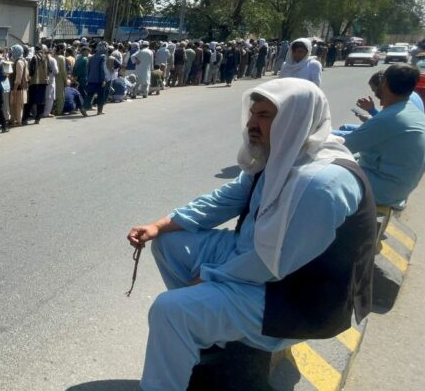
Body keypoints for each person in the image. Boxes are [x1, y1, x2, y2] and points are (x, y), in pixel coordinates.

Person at [128, 78, 377, 391]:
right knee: (169, 242)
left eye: (265, 116)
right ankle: (209, 337)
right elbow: (228, 197)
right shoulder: (285, 154)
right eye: (253, 113)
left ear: (297, 118)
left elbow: (276, 264)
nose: (252, 124)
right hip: (258, 264)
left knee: (171, 309)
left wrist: (209, 276)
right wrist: (160, 225)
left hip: (294, 298)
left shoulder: (321, 182)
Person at [343, 64, 425, 206]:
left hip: (384, 190)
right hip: (399, 187)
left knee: (321, 175)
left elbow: (344, 146)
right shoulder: (409, 111)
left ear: (384, 82)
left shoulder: (389, 118)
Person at [23, 45, 48, 125]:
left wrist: (28, 78)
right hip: (43, 82)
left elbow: (32, 71)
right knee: (41, 101)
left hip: (34, 82)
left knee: (30, 101)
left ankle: (25, 119)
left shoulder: (34, 57)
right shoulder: (45, 57)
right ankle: (38, 118)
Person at [85, 42, 108, 113]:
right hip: (99, 79)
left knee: (90, 94)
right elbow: (102, 69)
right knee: (101, 95)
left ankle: (84, 108)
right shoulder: (103, 57)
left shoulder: (91, 57)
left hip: (91, 78)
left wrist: (88, 77)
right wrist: (104, 79)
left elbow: (88, 68)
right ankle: (99, 111)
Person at [9, 44, 28, 126]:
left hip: (18, 87)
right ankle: (14, 120)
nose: (11, 53)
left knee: (17, 105)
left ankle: (18, 121)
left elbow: (19, 76)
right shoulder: (23, 60)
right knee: (16, 105)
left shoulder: (19, 62)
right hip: (20, 86)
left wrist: (15, 88)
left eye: (13, 51)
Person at [54, 45, 68, 116]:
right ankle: (59, 111)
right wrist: (65, 81)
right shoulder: (61, 58)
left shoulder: (52, 57)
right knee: (60, 96)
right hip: (59, 78)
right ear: (61, 50)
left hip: (52, 78)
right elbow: (63, 71)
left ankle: (53, 109)